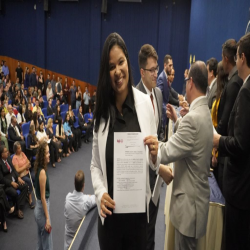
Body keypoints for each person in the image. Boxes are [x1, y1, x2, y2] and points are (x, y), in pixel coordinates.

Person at [91, 33, 159, 250]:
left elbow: (153, 161)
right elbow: (95, 165)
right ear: (106, 72)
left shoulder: (144, 105)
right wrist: (100, 193)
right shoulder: (101, 111)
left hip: (138, 221)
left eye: (121, 62)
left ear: (128, 62)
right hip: (110, 222)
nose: (118, 71)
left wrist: (156, 156)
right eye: (111, 66)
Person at [159, 61, 213, 250]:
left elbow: (166, 152)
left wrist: (148, 142)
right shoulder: (203, 111)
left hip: (189, 209)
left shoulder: (192, 118)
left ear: (190, 83)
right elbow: (193, 141)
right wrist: (176, 119)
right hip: (196, 205)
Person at [213, 33, 250, 250]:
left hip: (240, 190)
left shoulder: (245, 90)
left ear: (242, 58)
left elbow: (241, 145)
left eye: (237, 56)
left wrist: (218, 141)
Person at [136, 44, 164, 250]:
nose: (157, 74)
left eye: (157, 69)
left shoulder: (159, 94)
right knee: (140, 235)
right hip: (140, 183)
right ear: (142, 72)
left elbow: (159, 133)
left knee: (152, 232)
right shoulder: (133, 98)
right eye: (152, 70)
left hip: (156, 183)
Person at [215, 39, 243, 191]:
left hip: (226, 155)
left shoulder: (234, 84)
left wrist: (215, 144)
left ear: (226, 58)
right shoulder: (237, 81)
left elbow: (225, 122)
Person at [64, 170, 96, 249]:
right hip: (78, 242)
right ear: (83, 185)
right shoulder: (87, 201)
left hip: (67, 244)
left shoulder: (68, 197)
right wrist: (88, 196)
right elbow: (97, 198)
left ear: (74, 183)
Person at [0, 146, 28, 219]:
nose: (8, 152)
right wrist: (11, 183)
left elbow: (14, 170)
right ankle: (18, 210)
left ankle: (18, 208)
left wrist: (18, 177)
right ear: (1, 154)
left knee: (25, 186)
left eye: (7, 151)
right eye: (6, 152)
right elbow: (1, 179)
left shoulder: (9, 158)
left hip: (14, 179)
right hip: (6, 185)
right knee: (15, 193)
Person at [34, 142, 53, 249]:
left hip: (39, 208)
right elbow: (42, 197)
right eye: (47, 153)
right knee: (47, 243)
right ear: (42, 156)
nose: (49, 154)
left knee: (41, 242)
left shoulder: (40, 168)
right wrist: (47, 219)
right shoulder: (42, 173)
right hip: (42, 209)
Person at [12, 141, 35, 209]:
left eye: (20, 147)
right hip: (21, 176)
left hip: (27, 173)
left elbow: (28, 161)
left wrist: (28, 165)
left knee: (36, 177)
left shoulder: (23, 153)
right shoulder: (14, 158)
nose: (20, 149)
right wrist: (25, 166)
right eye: (19, 148)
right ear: (16, 150)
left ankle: (33, 192)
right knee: (29, 182)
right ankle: (30, 199)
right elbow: (17, 170)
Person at [157, 54, 173, 135]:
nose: (171, 68)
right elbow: (159, 98)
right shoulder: (161, 78)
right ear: (165, 65)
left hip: (166, 114)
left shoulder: (166, 77)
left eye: (172, 65)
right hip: (163, 114)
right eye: (170, 65)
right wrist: (165, 109)